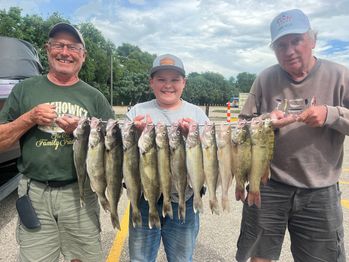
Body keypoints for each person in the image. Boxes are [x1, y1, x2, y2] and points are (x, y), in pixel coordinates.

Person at [235, 9, 348, 262]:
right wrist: (266, 121)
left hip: (320, 191)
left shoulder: (340, 76)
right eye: (281, 45)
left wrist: (331, 114)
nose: (289, 51)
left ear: (313, 40)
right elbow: (242, 126)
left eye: (296, 41)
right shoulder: (265, 78)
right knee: (258, 256)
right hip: (267, 184)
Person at [0, 22, 115, 262]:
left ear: (83, 55)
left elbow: (112, 150)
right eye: (58, 45)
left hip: (81, 193)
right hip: (35, 193)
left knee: (83, 258)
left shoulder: (95, 97)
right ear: (47, 49)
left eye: (73, 47)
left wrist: (81, 131)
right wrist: (29, 118)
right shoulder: (24, 90)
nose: (65, 52)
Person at [126, 53, 209, 262]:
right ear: (151, 83)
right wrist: (135, 132)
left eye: (174, 80)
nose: (168, 85)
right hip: (145, 198)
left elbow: (209, 154)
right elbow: (121, 152)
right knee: (140, 258)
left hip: (185, 198)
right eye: (161, 79)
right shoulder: (137, 111)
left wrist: (194, 136)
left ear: (184, 83)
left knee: (182, 258)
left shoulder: (197, 114)